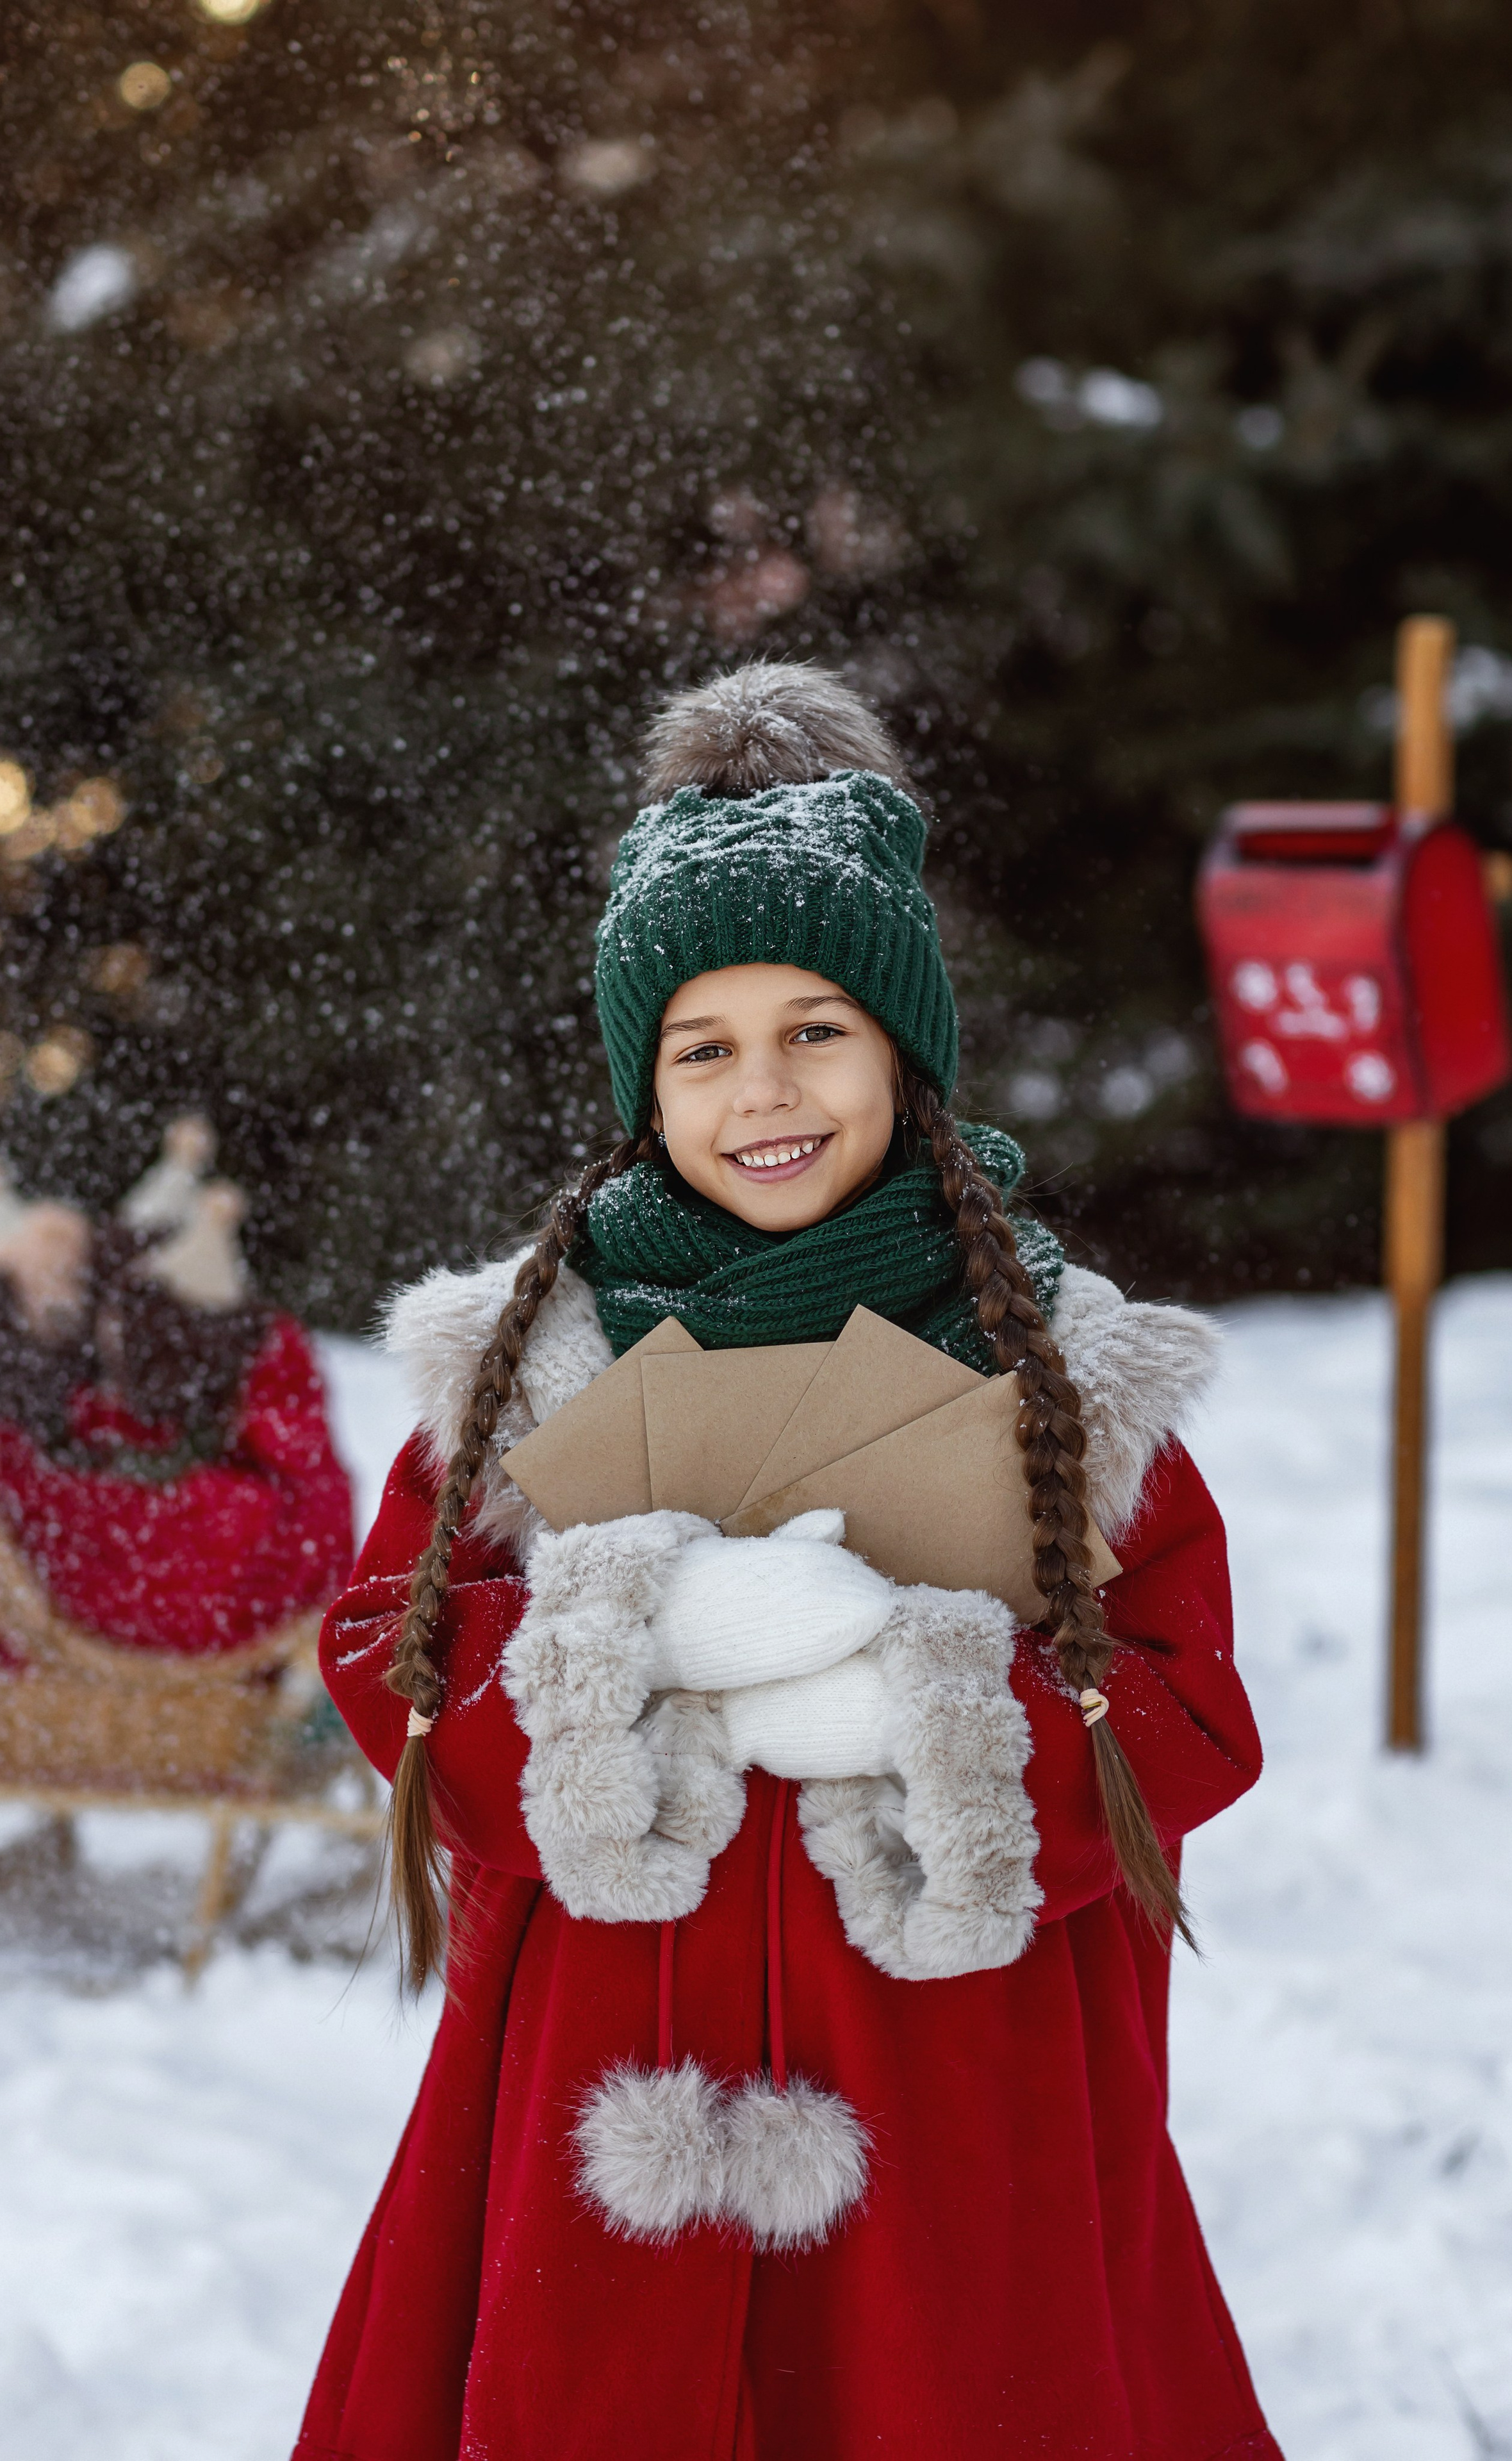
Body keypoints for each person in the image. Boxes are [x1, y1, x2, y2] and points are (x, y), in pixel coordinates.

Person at [295, 663, 1279, 2461]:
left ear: (902, 1050)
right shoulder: (534, 1359)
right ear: (642, 1081)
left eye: (818, 1029)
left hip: (960, 2112)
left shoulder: (1058, 1367)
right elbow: (391, 1665)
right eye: (707, 1045)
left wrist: (908, 1709)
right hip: (602, 2102)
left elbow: (1193, 1714)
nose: (768, 1087)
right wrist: (638, 1643)